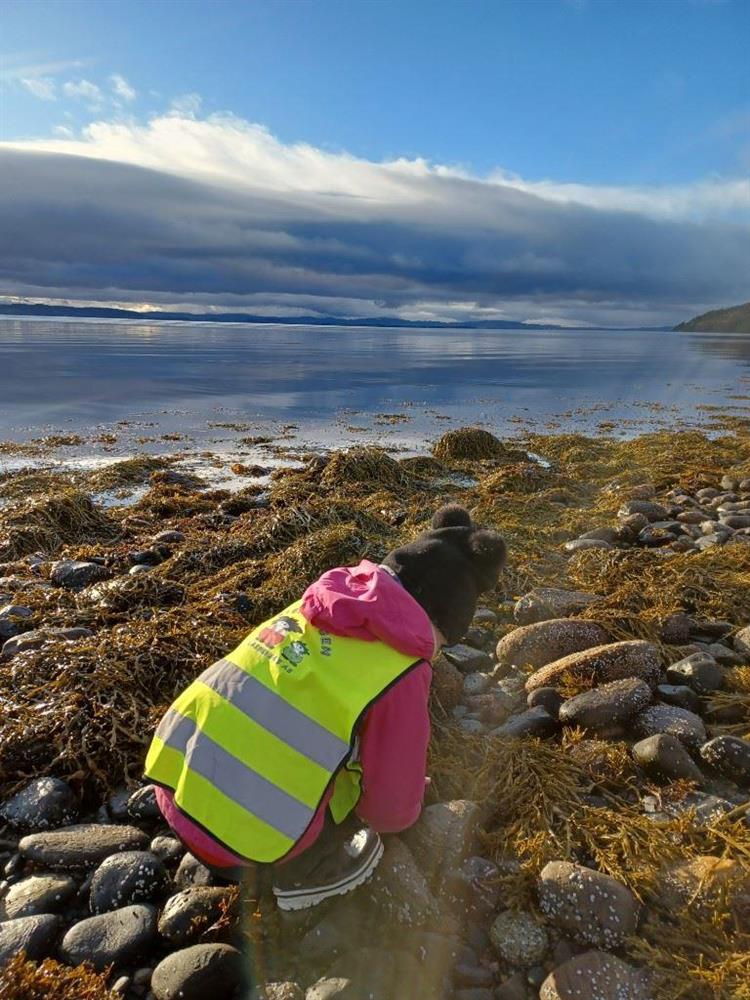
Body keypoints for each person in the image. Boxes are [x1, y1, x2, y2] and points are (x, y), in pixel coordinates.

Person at [144, 503, 506, 911]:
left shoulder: (315, 607)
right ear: (437, 626)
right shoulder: (403, 669)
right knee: (363, 829)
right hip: (242, 845)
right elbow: (390, 809)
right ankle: (309, 874)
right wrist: (406, 806)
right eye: (440, 645)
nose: (434, 656)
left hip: (173, 790)